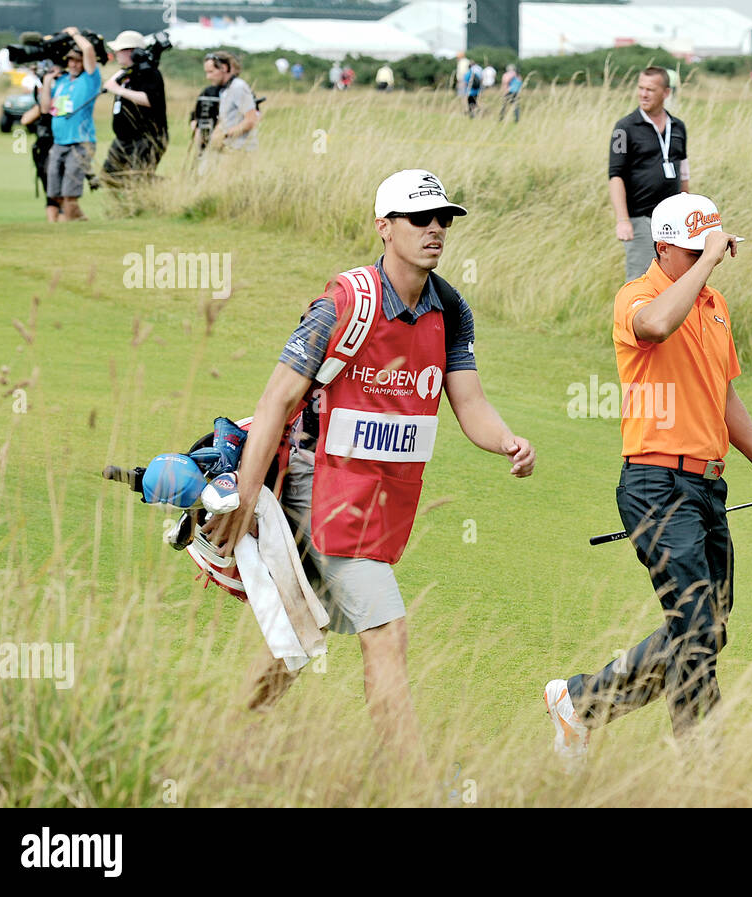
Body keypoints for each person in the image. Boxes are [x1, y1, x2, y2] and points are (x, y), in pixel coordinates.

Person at [204, 168, 535, 763]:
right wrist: (246, 501)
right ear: (385, 228)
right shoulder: (345, 302)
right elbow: (276, 401)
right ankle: (412, 786)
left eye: (443, 219)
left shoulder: (450, 309)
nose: (435, 229)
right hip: (319, 484)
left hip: (382, 495)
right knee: (387, 632)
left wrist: (508, 441)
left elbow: (470, 401)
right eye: (419, 218)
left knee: (300, 637)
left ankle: (226, 742)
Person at [543, 192, 752, 763]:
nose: (705, 258)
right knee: (694, 625)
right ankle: (703, 765)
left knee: (710, 628)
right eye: (691, 250)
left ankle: (581, 702)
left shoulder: (714, 305)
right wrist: (708, 258)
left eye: (708, 247)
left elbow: (724, 395)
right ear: (662, 247)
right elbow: (658, 325)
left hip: (709, 487)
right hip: (656, 484)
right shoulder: (637, 297)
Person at [608, 67, 690, 282]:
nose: (643, 94)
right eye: (641, 88)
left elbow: (683, 173)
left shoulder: (678, 127)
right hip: (640, 219)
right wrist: (623, 220)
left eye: (650, 90)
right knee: (641, 281)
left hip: (672, 222)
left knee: (674, 282)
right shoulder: (624, 128)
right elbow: (615, 175)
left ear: (666, 93)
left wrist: (686, 215)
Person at [39, 28, 101, 221]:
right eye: (71, 60)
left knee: (70, 195)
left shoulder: (90, 79)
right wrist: (48, 82)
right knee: (55, 194)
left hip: (80, 142)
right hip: (59, 142)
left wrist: (74, 34)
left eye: (78, 60)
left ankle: (79, 226)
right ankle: (81, 224)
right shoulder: (63, 81)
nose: (74, 64)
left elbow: (89, 49)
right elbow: (44, 109)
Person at [100, 30, 169, 189]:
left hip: (146, 136)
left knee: (138, 178)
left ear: (131, 52)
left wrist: (118, 90)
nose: (116, 54)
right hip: (124, 137)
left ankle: (167, 191)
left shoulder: (149, 73)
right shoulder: (127, 74)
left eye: (119, 50)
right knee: (110, 176)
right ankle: (123, 209)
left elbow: (150, 100)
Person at [19, 71, 59, 220]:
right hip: (43, 149)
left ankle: (62, 220)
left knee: (58, 191)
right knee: (50, 191)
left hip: (57, 147)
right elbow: (25, 120)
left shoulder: (59, 101)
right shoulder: (41, 104)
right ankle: (53, 223)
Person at [204, 52, 258, 152]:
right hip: (227, 150)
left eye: (211, 72)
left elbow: (251, 120)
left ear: (224, 68)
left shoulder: (238, 87)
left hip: (240, 150)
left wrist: (224, 135)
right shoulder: (224, 90)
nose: (208, 77)